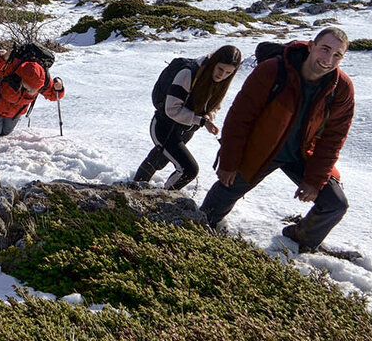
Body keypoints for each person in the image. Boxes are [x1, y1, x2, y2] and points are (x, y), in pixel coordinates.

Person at [200, 28, 355, 252]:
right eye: (325, 49)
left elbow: (334, 138)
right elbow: (239, 117)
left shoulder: (341, 87)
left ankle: (301, 239)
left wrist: (315, 179)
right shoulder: (273, 70)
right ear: (311, 46)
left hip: (301, 153)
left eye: (337, 55)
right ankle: (199, 228)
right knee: (215, 204)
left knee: (335, 204)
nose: (328, 60)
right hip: (259, 149)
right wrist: (228, 161)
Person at [134, 45, 242, 190]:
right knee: (189, 169)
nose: (222, 75)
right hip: (164, 127)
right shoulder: (188, 73)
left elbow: (215, 106)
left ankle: (134, 188)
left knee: (158, 159)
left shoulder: (221, 83)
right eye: (220, 69)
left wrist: (208, 117)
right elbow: (172, 109)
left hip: (186, 130)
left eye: (229, 72)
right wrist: (201, 121)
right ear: (213, 63)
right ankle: (162, 198)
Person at [0, 54, 65, 140]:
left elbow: (54, 95)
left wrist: (59, 88)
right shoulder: (12, 68)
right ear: (22, 79)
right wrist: (2, 59)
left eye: (36, 89)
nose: (33, 91)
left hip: (15, 113)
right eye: (30, 88)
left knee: (6, 133)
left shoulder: (43, 79)